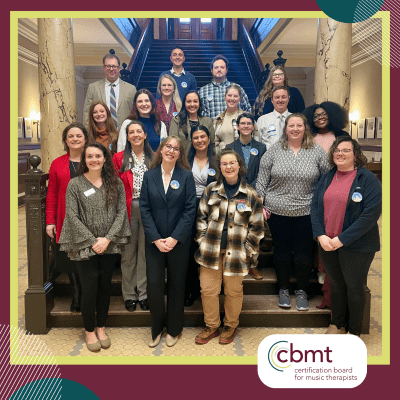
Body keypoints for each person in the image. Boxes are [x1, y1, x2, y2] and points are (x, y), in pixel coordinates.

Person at [59, 143, 131, 352]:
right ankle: (89, 331)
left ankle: (101, 327)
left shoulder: (115, 183)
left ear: (105, 159)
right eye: (89, 156)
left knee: (105, 287)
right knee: (89, 289)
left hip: (108, 244)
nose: (94, 160)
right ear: (85, 160)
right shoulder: (75, 184)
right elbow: (71, 216)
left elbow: (121, 213)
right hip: (84, 245)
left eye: (98, 156)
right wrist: (92, 241)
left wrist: (107, 239)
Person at [256, 113, 330, 311]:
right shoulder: (274, 150)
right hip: (277, 210)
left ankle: (302, 291)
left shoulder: (316, 151)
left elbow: (327, 177)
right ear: (285, 129)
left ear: (305, 128)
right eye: (291, 125)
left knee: (304, 252)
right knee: (281, 251)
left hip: (306, 211)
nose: (295, 129)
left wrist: (322, 203)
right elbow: (262, 179)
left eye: (299, 125)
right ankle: (283, 289)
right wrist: (260, 203)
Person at [311, 136, 381, 336]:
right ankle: (337, 324)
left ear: (356, 155)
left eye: (346, 150)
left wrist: (342, 239)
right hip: (327, 243)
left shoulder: (367, 179)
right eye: (337, 150)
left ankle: (354, 332)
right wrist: (320, 236)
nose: (340, 154)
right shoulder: (327, 177)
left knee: (355, 287)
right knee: (336, 283)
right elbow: (315, 208)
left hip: (357, 245)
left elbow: (370, 215)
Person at [194, 148, 264, 345]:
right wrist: (202, 240)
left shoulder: (250, 193)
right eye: (224, 164)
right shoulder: (211, 190)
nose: (228, 167)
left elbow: (257, 228)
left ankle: (230, 325)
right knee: (208, 290)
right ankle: (211, 326)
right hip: (210, 251)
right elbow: (201, 218)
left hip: (237, 253)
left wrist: (248, 251)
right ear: (220, 168)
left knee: (233, 292)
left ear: (239, 165)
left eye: (232, 163)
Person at [139, 136, 197, 348]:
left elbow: (190, 210)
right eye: (168, 147)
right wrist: (155, 238)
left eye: (176, 148)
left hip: (178, 242)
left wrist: (173, 238)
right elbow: (144, 208)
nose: (171, 151)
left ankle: (174, 329)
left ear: (179, 154)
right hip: (154, 242)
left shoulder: (186, 176)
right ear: (161, 150)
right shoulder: (149, 176)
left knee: (176, 285)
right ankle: (156, 329)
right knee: (154, 285)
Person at [303, 101, 350, 309]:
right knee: (315, 231)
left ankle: (328, 274)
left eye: (323, 115)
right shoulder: (308, 136)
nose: (319, 118)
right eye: (315, 115)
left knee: (331, 229)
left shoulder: (341, 136)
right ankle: (318, 269)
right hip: (310, 189)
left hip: (335, 187)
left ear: (332, 115)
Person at [46, 122, 88, 312]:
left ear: (85, 139)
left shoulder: (93, 159)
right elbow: (52, 194)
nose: (75, 139)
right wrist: (50, 221)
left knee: (88, 257)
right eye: (71, 136)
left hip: (90, 218)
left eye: (78, 136)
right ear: (65, 140)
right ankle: (77, 293)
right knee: (70, 258)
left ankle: (88, 293)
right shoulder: (57, 163)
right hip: (66, 218)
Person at [113, 121, 154, 312]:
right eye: (131, 132)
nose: (136, 135)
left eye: (139, 131)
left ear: (145, 135)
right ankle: (129, 295)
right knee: (128, 254)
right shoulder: (119, 158)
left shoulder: (154, 158)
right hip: (127, 209)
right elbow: (113, 187)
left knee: (145, 254)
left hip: (148, 210)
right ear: (127, 136)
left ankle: (144, 293)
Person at [225, 112, 267, 281]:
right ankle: (237, 262)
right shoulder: (230, 147)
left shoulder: (262, 147)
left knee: (254, 231)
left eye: (249, 123)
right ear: (238, 126)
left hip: (256, 194)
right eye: (242, 123)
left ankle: (253, 264)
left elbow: (264, 171)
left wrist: (255, 189)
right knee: (236, 230)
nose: (246, 126)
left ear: (253, 126)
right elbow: (228, 170)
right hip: (236, 192)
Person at [184, 125, 216, 307]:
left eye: (203, 137)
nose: (199, 140)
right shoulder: (185, 161)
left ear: (209, 139)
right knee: (190, 251)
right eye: (195, 137)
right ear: (192, 141)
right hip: (189, 208)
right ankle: (191, 288)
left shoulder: (217, 160)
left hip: (211, 209)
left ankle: (209, 290)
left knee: (207, 249)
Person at [83, 53, 136, 129]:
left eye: (114, 66)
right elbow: (87, 113)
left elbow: (134, 113)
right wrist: (88, 133)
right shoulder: (93, 87)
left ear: (119, 68)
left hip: (124, 134)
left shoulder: (131, 89)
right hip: (100, 134)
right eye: (108, 66)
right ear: (104, 67)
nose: (111, 69)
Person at [198, 54, 251, 120]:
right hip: (211, 129)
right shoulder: (202, 91)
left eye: (222, 67)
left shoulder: (237, 88)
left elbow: (248, 110)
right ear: (211, 70)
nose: (219, 70)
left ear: (226, 70)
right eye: (216, 67)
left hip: (234, 128)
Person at [214, 84, 257, 154]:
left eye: (235, 96)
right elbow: (214, 144)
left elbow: (255, 139)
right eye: (229, 95)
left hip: (243, 160)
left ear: (240, 98)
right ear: (225, 97)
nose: (232, 98)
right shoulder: (217, 119)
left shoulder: (247, 117)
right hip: (223, 160)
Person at [169, 91, 214, 155]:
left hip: (203, 161)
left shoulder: (207, 121)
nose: (192, 104)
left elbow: (212, 144)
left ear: (199, 103)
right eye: (189, 101)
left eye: (195, 101)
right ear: (184, 103)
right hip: (183, 162)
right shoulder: (176, 120)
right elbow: (173, 144)